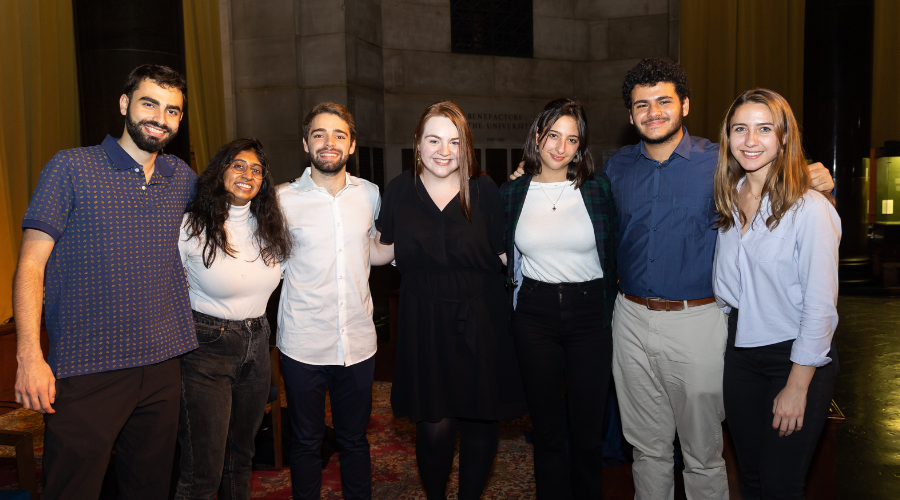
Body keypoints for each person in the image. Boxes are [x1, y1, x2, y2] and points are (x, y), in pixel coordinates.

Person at [511, 57, 834, 499]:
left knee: (703, 451)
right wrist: (524, 177)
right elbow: (565, 195)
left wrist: (819, 179)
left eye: (663, 101)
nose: (653, 112)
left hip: (697, 322)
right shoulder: (616, 169)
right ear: (630, 115)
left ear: (684, 104)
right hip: (628, 320)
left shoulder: (722, 162)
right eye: (642, 105)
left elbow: (776, 177)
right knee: (646, 448)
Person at [13, 64, 197, 498]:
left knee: (149, 488)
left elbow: (236, 207)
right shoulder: (70, 168)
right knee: (72, 489)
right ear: (124, 105)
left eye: (172, 110)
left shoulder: (182, 178)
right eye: (149, 103)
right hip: (87, 366)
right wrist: (28, 355)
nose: (160, 117)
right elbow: (30, 265)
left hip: (164, 363)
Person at [370, 101, 526, 499]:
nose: (444, 150)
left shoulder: (485, 190)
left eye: (454, 142)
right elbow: (381, 251)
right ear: (417, 144)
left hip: (481, 319)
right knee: (434, 427)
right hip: (424, 320)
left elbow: (509, 256)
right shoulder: (401, 189)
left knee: (479, 421)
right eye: (434, 140)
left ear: (466, 147)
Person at [712, 89, 840, 499]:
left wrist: (798, 385)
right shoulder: (728, 199)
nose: (751, 140)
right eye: (740, 129)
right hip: (740, 357)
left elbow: (821, 307)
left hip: (795, 358)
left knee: (781, 485)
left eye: (764, 129)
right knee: (750, 480)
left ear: (784, 137)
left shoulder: (810, 207)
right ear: (727, 138)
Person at [499, 98, 618, 499]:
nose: (560, 147)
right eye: (553, 135)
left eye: (572, 139)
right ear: (537, 136)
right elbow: (500, 254)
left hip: (590, 317)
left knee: (587, 434)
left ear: (580, 146)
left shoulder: (598, 188)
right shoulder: (512, 192)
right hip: (534, 316)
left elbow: (617, 248)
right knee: (546, 431)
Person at [175, 138, 292, 498]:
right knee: (203, 470)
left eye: (256, 169)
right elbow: (167, 290)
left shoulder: (270, 225)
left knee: (241, 459)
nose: (248, 175)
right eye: (238, 165)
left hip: (258, 344)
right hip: (206, 347)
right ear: (220, 171)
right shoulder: (191, 225)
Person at [277, 102, 381, 500]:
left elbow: (374, 251)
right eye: (319, 134)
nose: (329, 142)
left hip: (357, 341)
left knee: (354, 440)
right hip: (304, 343)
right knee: (306, 442)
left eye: (339, 135)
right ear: (306, 143)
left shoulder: (369, 195)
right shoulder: (281, 199)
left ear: (352, 145)